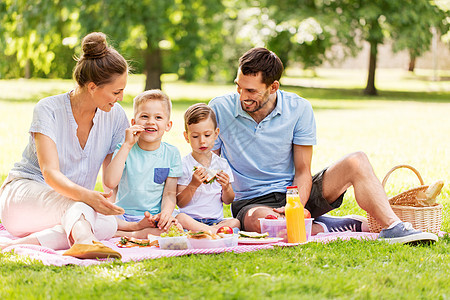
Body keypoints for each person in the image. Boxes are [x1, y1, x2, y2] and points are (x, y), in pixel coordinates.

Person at [209, 47, 438, 244]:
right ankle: (329, 226)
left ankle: (394, 227)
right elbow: (210, 165)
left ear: (274, 87)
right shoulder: (219, 108)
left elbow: (302, 170)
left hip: (296, 194)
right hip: (253, 202)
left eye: (251, 91)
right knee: (269, 226)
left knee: (357, 160)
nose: (242, 96)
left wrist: (295, 206)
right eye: (239, 87)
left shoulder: (299, 109)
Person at [0, 32, 134, 258]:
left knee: (108, 224)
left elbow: (110, 181)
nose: (120, 98)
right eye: (116, 91)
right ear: (92, 87)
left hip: (72, 207)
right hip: (24, 198)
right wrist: (87, 197)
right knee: (78, 206)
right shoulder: (48, 109)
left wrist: (128, 146)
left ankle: (16, 246)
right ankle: (84, 240)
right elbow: (50, 173)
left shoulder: (115, 116)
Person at [104, 89, 183, 238]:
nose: (151, 122)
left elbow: (170, 193)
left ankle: (129, 234)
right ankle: (136, 232)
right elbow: (110, 182)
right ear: (134, 123)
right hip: (123, 215)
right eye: (144, 116)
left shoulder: (172, 153)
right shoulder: (124, 148)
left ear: (168, 125)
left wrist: (165, 214)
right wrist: (127, 145)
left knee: (177, 225)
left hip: (154, 217)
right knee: (100, 220)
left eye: (158, 117)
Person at [175, 103, 240, 233]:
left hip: (215, 220)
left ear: (216, 134)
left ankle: (207, 231)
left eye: (207, 135)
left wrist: (226, 187)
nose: (202, 141)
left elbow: (228, 200)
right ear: (186, 137)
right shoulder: (184, 164)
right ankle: (214, 232)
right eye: (195, 136)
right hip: (191, 220)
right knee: (180, 218)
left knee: (235, 221)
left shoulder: (222, 164)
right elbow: (180, 203)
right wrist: (193, 184)